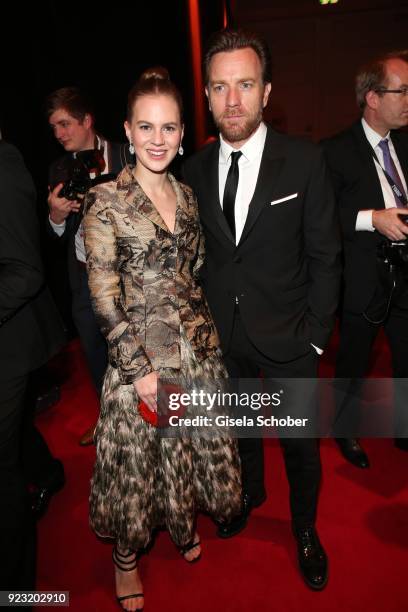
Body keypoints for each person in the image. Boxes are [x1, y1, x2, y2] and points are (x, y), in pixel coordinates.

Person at [183, 29, 341, 590]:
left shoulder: (304, 160)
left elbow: (326, 255)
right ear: (205, 95)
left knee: (301, 449)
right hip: (226, 340)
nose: (232, 101)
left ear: (267, 91)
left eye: (245, 85)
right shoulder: (193, 172)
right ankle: (251, 491)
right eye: (220, 87)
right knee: (243, 433)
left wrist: (318, 337)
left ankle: (304, 529)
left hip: (293, 338)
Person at [82, 68, 242, 611]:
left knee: (186, 453)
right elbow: (104, 299)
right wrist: (141, 372)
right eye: (146, 127)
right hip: (141, 363)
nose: (158, 139)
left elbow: (192, 269)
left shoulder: (189, 196)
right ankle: (125, 559)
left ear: (180, 132)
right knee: (136, 468)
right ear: (126, 130)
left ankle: (179, 523)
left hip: (194, 351)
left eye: (169, 128)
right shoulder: (105, 201)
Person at [323, 51, 408, 466]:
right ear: (373, 97)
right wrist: (372, 218)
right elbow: (322, 219)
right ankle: (345, 429)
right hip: (364, 277)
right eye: (402, 90)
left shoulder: (405, 142)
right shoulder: (334, 151)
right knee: (354, 361)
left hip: (405, 272)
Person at [45, 87, 133, 446]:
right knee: (95, 356)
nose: (59, 134)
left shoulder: (127, 154)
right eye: (53, 127)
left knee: (133, 351)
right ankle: (109, 418)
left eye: (65, 124)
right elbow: (57, 238)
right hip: (83, 280)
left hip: (127, 277)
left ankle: (148, 422)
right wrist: (55, 216)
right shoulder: (58, 168)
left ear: (86, 120)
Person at [0, 140, 66, 588]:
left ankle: (15, 591)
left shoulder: (5, 168)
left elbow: (25, 270)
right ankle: (47, 472)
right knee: (16, 430)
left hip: (11, 341)